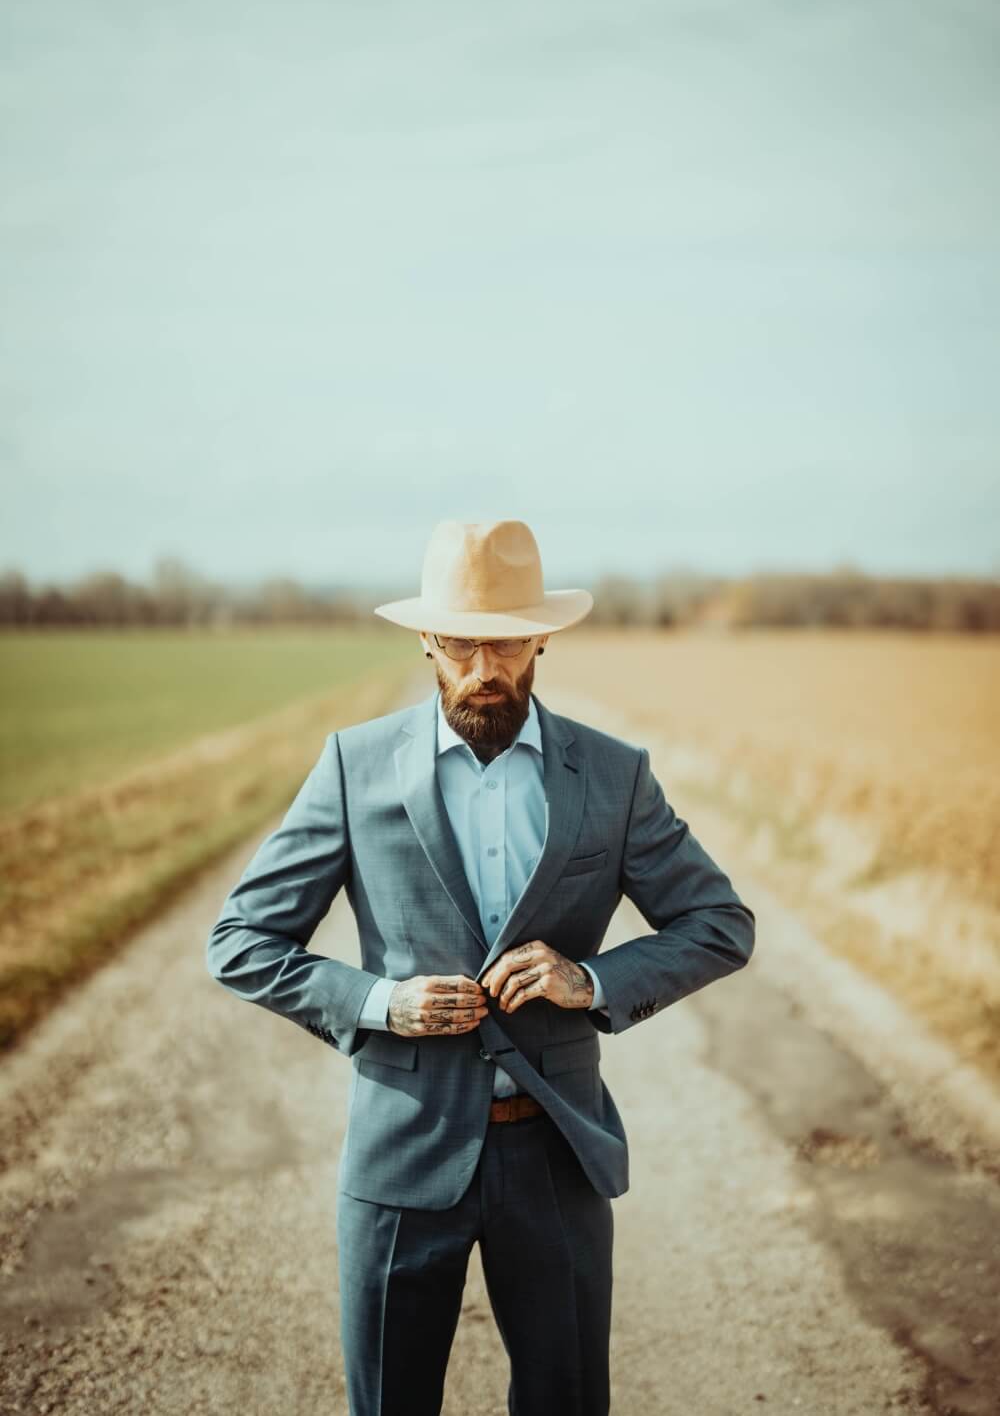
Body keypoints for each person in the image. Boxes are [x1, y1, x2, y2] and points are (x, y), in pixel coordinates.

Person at [205, 518, 755, 1416]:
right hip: (401, 1152)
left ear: (543, 636)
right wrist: (382, 1002)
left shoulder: (614, 777)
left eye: (503, 644)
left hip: (557, 1151)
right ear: (426, 638)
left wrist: (594, 981)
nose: (482, 669)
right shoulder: (354, 768)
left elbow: (720, 922)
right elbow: (239, 941)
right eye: (461, 644)